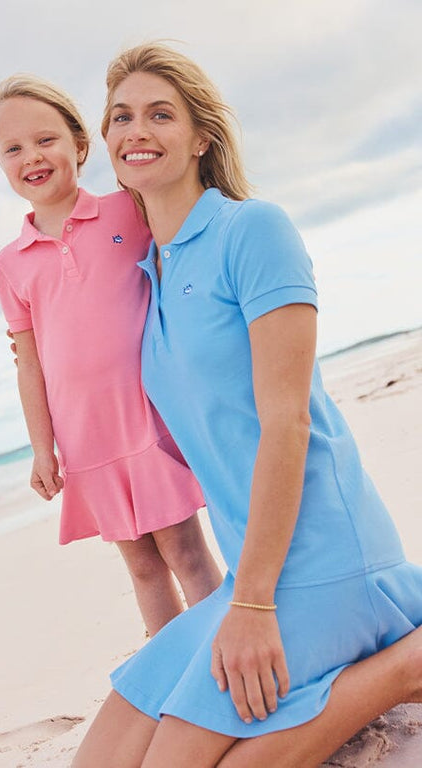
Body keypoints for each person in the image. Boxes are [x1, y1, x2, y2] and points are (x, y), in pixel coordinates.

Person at [70, 43, 422, 767]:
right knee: (101, 759)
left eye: (159, 114)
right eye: (121, 117)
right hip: (249, 572)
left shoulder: (252, 231)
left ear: (202, 136)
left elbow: (286, 422)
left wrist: (255, 605)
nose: (135, 130)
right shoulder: (150, 269)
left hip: (323, 558)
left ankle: (404, 665)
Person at [0, 75, 222, 637]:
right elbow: (29, 362)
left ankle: (232, 655)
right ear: (0, 163)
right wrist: (43, 450)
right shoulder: (11, 262)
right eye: (12, 149)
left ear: (79, 145)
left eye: (45, 140)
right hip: (85, 437)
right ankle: (174, 675)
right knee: (142, 567)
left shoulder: (129, 209)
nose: (32, 158)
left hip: (145, 416)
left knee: (184, 551)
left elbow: (187, 265)